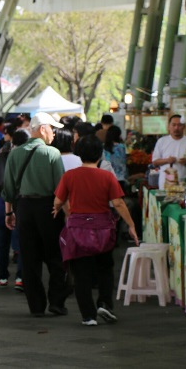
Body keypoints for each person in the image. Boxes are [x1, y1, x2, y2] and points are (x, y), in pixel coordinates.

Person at [53, 135, 139, 326]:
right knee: (105, 268)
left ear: (78, 154)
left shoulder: (69, 176)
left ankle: (88, 316)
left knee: (81, 274)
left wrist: (61, 209)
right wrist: (131, 225)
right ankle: (105, 303)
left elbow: (59, 200)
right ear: (100, 155)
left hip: (77, 229)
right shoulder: (107, 176)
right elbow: (118, 203)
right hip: (103, 229)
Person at [3, 112, 70, 317]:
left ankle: (36, 306)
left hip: (24, 208)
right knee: (55, 257)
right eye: (52, 129)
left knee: (29, 259)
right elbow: (61, 187)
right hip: (49, 208)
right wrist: (63, 211)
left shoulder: (15, 153)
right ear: (42, 129)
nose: (54, 134)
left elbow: (8, 187)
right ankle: (57, 302)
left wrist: (9, 213)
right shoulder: (52, 154)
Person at [0, 128, 29, 289]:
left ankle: (3, 276)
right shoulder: (28, 158)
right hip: (22, 203)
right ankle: (20, 277)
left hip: (1, 201)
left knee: (3, 241)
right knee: (21, 242)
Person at [151, 114, 186, 188]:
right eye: (174, 125)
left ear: (184, 127)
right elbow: (155, 162)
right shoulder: (162, 141)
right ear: (169, 126)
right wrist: (167, 160)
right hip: (165, 184)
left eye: (179, 125)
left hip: (184, 183)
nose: (176, 128)